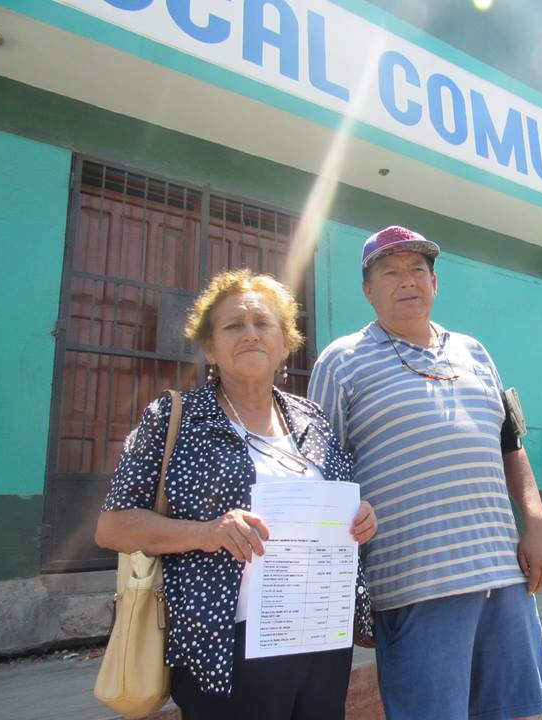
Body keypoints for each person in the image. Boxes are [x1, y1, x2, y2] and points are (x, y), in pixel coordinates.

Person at [95, 269, 377, 720]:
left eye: (263, 324)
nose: (249, 334)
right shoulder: (175, 418)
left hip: (320, 637)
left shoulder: (313, 420)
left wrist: (360, 517)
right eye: (232, 326)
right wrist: (208, 532)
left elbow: (343, 504)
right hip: (225, 647)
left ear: (286, 344)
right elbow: (112, 526)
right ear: (210, 347)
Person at [307, 225, 542, 719]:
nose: (407, 282)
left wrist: (538, 523)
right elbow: (317, 471)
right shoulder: (341, 362)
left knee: (511, 712)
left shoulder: (476, 352)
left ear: (435, 283)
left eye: (417, 270)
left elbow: (512, 445)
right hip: (414, 587)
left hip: (504, 578)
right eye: (391, 272)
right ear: (367, 291)